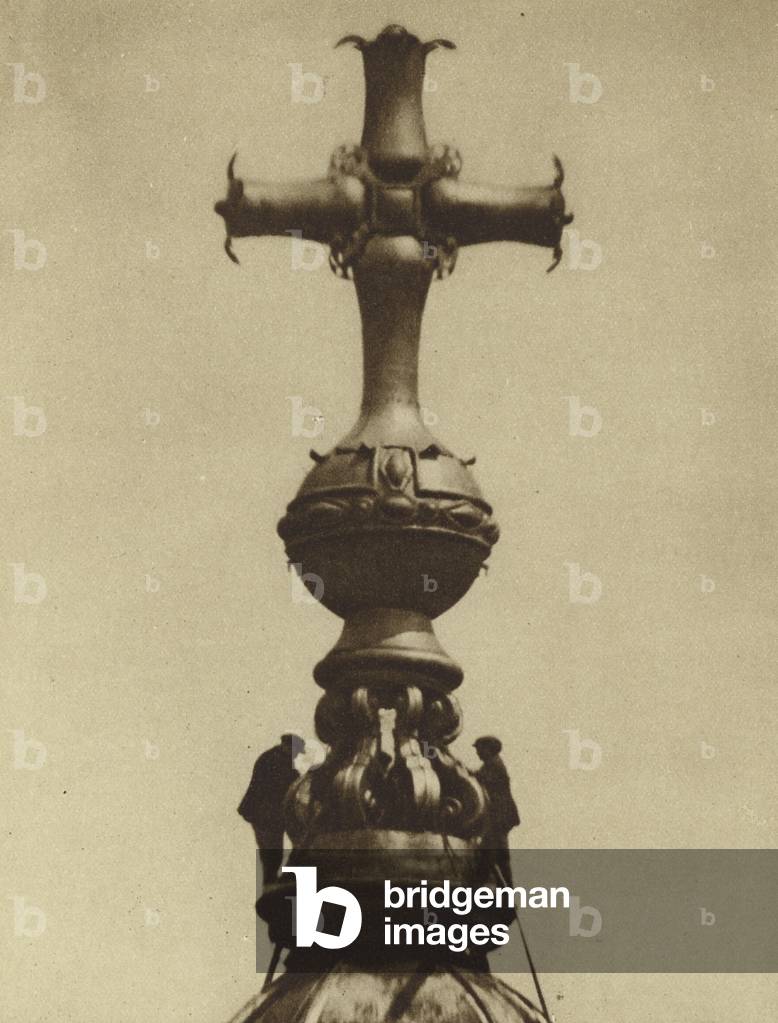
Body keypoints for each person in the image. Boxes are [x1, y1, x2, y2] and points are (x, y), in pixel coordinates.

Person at [238, 734, 304, 885]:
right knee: (272, 856)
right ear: (289, 747)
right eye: (296, 752)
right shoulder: (278, 760)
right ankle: (270, 887)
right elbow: (289, 783)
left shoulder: (271, 757)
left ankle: (271, 885)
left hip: (264, 816)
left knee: (271, 855)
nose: (296, 756)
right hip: (265, 817)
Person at [473, 735, 520, 886]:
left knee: (491, 851)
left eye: (480, 749)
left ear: (489, 749)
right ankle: (505, 890)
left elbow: (484, 778)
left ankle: (478, 886)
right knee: (499, 854)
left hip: (500, 817)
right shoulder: (492, 764)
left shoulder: (494, 765)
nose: (478, 753)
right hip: (500, 817)